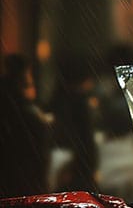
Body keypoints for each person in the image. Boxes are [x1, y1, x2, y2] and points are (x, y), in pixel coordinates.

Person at [0, 53, 54, 197]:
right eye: (30, 85)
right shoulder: (28, 115)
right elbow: (39, 157)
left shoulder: (10, 105)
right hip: (26, 179)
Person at [50, 55, 100, 192]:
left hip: (62, 163)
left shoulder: (59, 99)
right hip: (77, 167)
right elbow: (86, 138)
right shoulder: (80, 103)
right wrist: (91, 167)